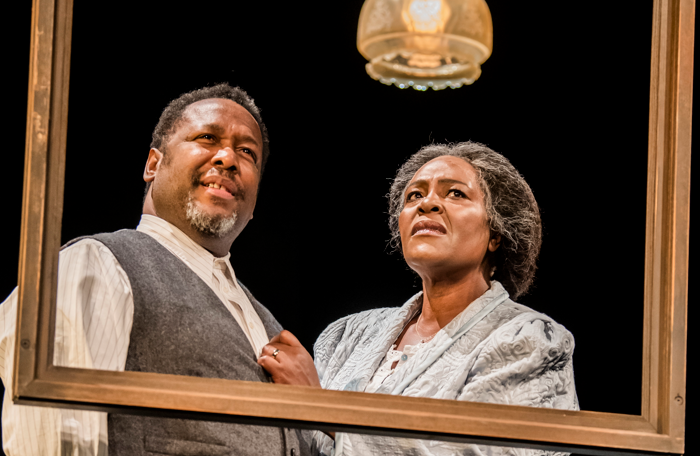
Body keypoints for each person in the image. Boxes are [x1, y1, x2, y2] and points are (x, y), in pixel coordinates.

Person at [0, 83, 310, 455]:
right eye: (207, 137)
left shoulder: (267, 322)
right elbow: (53, 435)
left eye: (247, 152)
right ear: (153, 164)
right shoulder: (98, 263)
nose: (228, 158)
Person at [259, 142, 578, 456]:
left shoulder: (531, 339)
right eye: (415, 195)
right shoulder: (346, 335)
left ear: (497, 232)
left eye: (455, 193)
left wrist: (317, 405)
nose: (427, 203)